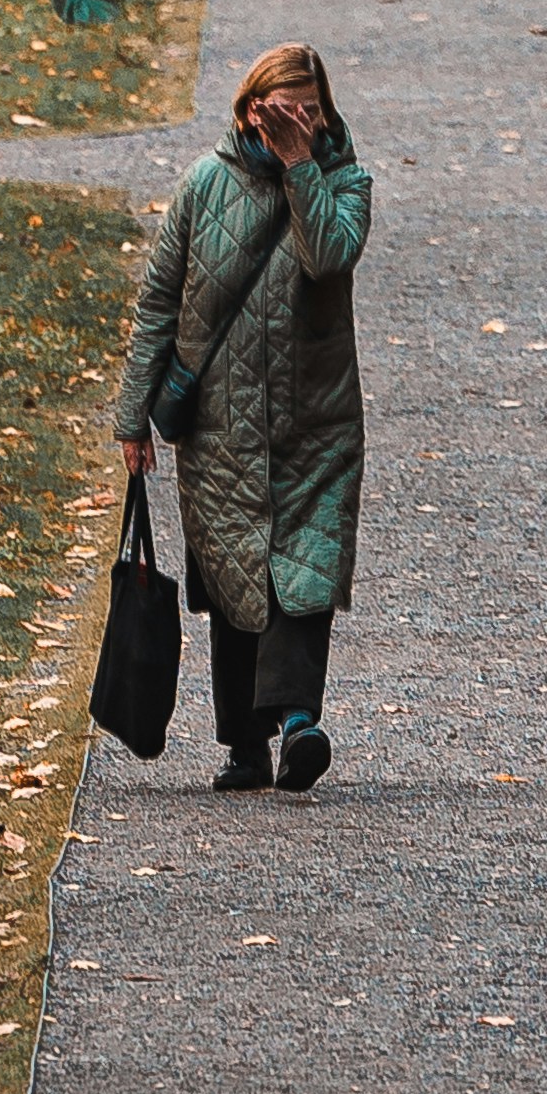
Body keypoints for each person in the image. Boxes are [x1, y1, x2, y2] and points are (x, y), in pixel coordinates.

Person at [114, 41, 373, 791]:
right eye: (285, 110)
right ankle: (243, 745)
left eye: (312, 110)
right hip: (219, 423)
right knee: (234, 575)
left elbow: (328, 256)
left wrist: (302, 167)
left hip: (315, 421)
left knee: (304, 569)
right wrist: (134, 418)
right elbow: (160, 299)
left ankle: (297, 722)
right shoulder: (204, 184)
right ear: (250, 108)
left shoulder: (346, 183)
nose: (301, 123)